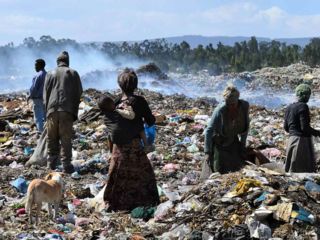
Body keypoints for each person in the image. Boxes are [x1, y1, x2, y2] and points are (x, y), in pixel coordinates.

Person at [103, 68, 159, 211]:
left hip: (117, 147)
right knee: (144, 176)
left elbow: (110, 125)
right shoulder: (139, 101)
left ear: (120, 85)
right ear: (135, 85)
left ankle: (115, 204)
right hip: (134, 146)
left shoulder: (114, 102)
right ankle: (144, 203)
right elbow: (150, 120)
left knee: (116, 175)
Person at [44, 51, 83, 173]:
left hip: (52, 109)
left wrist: (47, 110)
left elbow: (45, 94)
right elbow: (79, 92)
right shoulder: (73, 73)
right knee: (65, 138)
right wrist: (72, 108)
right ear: (67, 61)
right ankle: (66, 165)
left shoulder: (50, 73)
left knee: (51, 137)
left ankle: (51, 164)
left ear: (57, 62)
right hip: (66, 110)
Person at [201, 84, 250, 176]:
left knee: (238, 167)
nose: (230, 107)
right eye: (228, 104)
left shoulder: (244, 106)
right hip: (220, 142)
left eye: (233, 104)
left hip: (233, 140)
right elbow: (209, 130)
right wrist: (207, 152)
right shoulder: (220, 110)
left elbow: (246, 127)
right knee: (219, 170)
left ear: (237, 100)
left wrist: (242, 145)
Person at [284, 84, 320, 173]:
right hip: (301, 142)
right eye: (308, 95)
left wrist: (293, 132)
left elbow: (286, 127)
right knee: (303, 171)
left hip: (291, 141)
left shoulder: (289, 107)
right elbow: (304, 128)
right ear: (305, 95)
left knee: (291, 171)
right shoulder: (303, 106)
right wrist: (317, 133)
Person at [28, 59, 46, 132]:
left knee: (38, 117)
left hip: (37, 99)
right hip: (46, 99)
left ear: (40, 65)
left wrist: (30, 96)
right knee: (46, 117)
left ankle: (41, 133)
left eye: (36, 65)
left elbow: (34, 88)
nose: (35, 67)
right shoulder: (48, 75)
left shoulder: (37, 76)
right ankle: (48, 132)